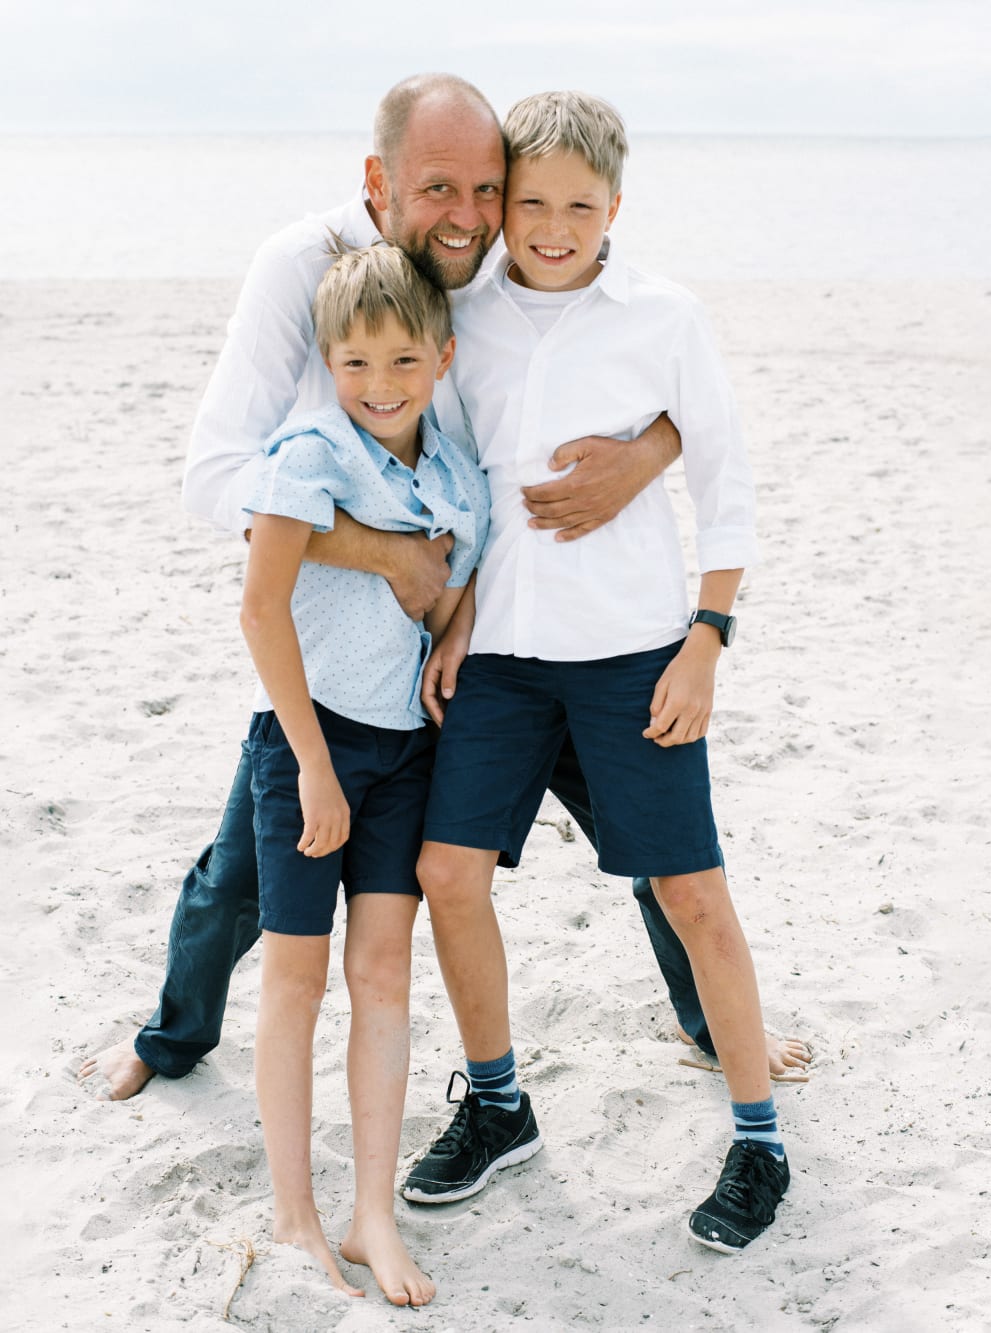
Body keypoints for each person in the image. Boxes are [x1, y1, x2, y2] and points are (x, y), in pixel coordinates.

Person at [77, 72, 803, 1104]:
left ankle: (712, 1026)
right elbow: (210, 477)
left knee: (645, 839)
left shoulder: (508, 266)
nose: (467, 218)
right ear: (378, 180)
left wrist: (650, 452)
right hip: (348, 641)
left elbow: (634, 366)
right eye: (437, 190)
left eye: (484, 189)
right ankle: (172, 1035)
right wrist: (382, 553)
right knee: (245, 863)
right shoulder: (300, 266)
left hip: (504, 621)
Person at [405, 91, 793, 1253]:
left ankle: (761, 1136)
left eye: (581, 204)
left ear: (615, 205)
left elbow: (726, 481)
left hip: (635, 657)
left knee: (692, 894)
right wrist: (457, 608)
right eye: (532, 202)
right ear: (503, 205)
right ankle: (498, 1103)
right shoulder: (464, 314)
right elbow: (458, 477)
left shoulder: (662, 315)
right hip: (506, 661)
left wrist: (707, 642)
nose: (555, 225)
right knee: (447, 872)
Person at [239, 242, 489, 1304]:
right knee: (295, 980)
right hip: (309, 747)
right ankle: (296, 1214)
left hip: (405, 754)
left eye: (399, 361)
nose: (378, 386)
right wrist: (313, 771)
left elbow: (462, 578)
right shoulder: (307, 455)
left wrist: (454, 634)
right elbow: (259, 608)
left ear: (439, 357)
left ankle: (370, 1213)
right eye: (354, 364)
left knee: (382, 975)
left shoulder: (457, 472)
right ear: (326, 362)